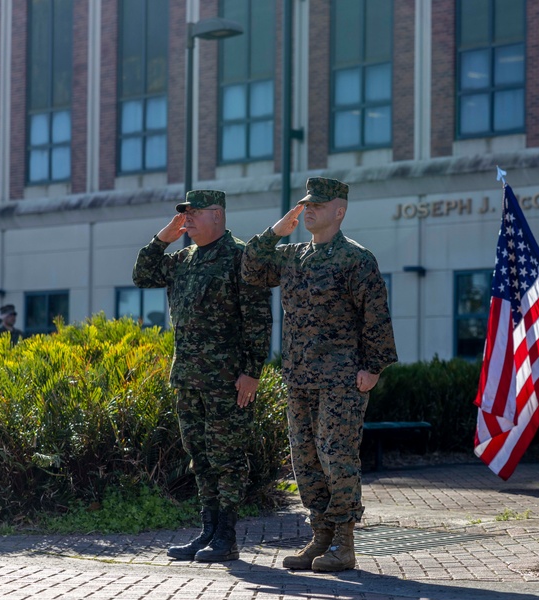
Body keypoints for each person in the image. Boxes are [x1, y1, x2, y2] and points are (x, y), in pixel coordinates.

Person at [241, 177, 397, 573]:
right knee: (305, 459)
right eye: (306, 203)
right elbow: (251, 268)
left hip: (342, 379)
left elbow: (375, 315)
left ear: (339, 211)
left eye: (318, 204)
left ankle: (344, 543)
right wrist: (277, 230)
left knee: (336, 456)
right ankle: (320, 537)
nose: (309, 209)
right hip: (299, 377)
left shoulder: (356, 259)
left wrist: (373, 367)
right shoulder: (292, 255)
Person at [132, 190, 271, 563]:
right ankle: (207, 531)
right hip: (188, 378)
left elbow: (258, 317)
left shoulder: (240, 256)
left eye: (194, 214)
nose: (187, 220)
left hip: (227, 380)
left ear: (218, 215)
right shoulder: (184, 259)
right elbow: (142, 273)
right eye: (184, 214)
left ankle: (227, 537)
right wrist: (164, 236)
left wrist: (252, 372)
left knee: (227, 457)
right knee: (200, 456)